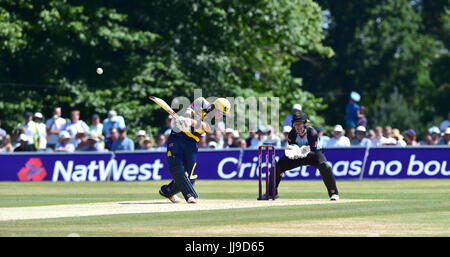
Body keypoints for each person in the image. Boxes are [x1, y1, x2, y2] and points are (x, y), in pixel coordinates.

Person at [159, 97, 231, 204]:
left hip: (191, 143)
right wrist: (185, 118)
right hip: (177, 137)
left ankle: (167, 191)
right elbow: (189, 111)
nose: (220, 116)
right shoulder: (200, 101)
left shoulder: (214, 124)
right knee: (176, 167)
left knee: (189, 175)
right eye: (220, 113)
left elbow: (202, 126)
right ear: (215, 107)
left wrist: (190, 122)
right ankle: (190, 196)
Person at [267, 111, 339, 201]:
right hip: (298, 156)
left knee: (325, 167)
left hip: (313, 154)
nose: (298, 127)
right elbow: (291, 148)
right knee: (277, 166)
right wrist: (293, 153)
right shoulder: (292, 133)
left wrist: (303, 152)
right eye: (296, 124)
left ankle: (334, 193)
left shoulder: (312, 133)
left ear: (305, 124)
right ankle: (271, 193)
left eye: (300, 124)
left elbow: (313, 150)